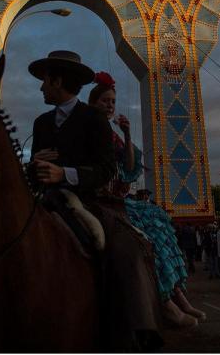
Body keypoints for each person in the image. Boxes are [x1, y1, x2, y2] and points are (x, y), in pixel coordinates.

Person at [27, 50, 161, 350]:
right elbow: (35, 171)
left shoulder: (94, 120)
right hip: (47, 201)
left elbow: (106, 169)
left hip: (90, 202)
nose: (41, 88)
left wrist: (65, 173)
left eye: (45, 81)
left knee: (126, 248)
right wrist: (33, 165)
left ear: (58, 81)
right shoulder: (41, 123)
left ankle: (138, 329)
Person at [87, 71, 205, 327]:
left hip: (118, 199)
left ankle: (177, 296)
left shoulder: (112, 133)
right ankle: (165, 304)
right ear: (93, 102)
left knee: (160, 228)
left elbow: (129, 166)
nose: (109, 105)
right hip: (99, 198)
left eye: (112, 102)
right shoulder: (89, 127)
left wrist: (127, 134)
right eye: (105, 100)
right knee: (145, 239)